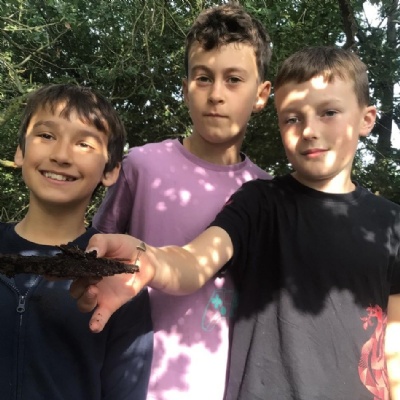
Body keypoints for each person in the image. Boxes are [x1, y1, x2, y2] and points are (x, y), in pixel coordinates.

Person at [72, 45, 400, 400]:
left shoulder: (391, 224)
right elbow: (195, 261)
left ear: (367, 119)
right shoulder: (259, 201)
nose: (308, 130)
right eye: (292, 118)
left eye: (329, 112)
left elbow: (394, 347)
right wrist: (148, 260)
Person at [91, 4, 272, 399]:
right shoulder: (141, 166)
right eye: (203, 78)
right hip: (132, 382)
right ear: (186, 85)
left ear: (261, 94)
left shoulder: (268, 193)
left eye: (234, 79)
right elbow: (95, 258)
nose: (216, 95)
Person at [0, 84, 152, 400]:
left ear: (110, 170)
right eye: (46, 135)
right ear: (20, 152)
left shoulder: (117, 277)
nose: (61, 155)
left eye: (84, 144)